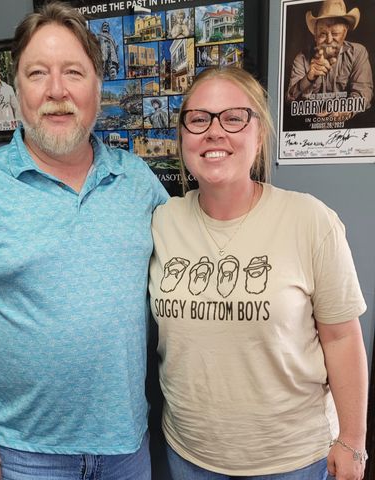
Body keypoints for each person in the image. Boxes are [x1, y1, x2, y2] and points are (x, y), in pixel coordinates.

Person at [0, 3, 167, 480]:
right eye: (37, 73)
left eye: (74, 72)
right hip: (20, 455)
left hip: (127, 448)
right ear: (16, 88)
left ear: (97, 85)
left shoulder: (138, 181)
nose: (57, 91)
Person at [149, 66, 368, 480]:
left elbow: (342, 338)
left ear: (260, 134)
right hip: (189, 455)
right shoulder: (162, 220)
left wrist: (354, 441)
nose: (214, 132)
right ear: (182, 136)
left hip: (292, 461)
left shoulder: (310, 219)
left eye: (233, 117)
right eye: (198, 119)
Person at [286, 0, 373, 120]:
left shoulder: (358, 53)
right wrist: (308, 78)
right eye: (322, 33)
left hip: (348, 126)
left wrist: (342, 111)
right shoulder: (301, 58)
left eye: (335, 33)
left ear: (345, 31)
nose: (329, 40)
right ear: (315, 34)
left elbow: (364, 94)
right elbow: (290, 101)